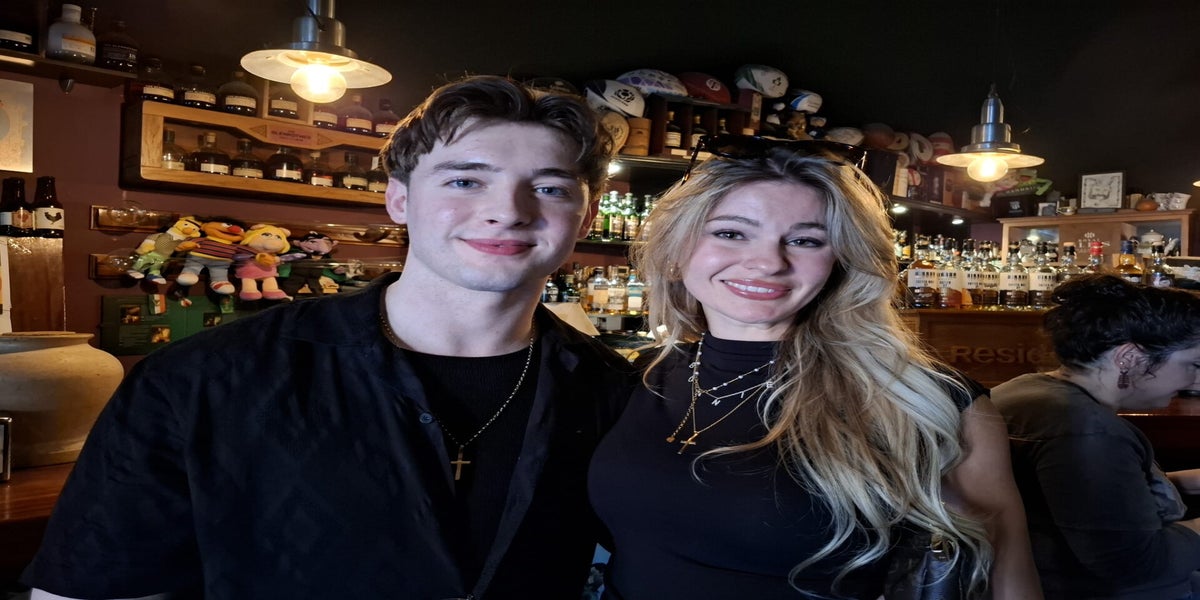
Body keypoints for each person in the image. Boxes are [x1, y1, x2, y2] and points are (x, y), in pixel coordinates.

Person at [23, 76, 631, 599]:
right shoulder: (202, 379)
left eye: (549, 188)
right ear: (399, 199)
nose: (510, 210)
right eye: (465, 181)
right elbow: (88, 586)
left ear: (585, 214)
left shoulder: (619, 393)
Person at [588, 135, 1042, 599]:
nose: (768, 263)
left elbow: (1006, 582)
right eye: (731, 233)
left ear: (840, 263)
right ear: (675, 248)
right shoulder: (638, 376)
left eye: (805, 240)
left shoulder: (926, 402)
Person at [990, 274, 1200, 600]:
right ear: (1129, 358)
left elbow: (1085, 499)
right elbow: (1134, 563)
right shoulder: (1087, 429)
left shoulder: (1023, 391)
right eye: (1193, 364)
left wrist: (1185, 480)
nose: (1196, 380)